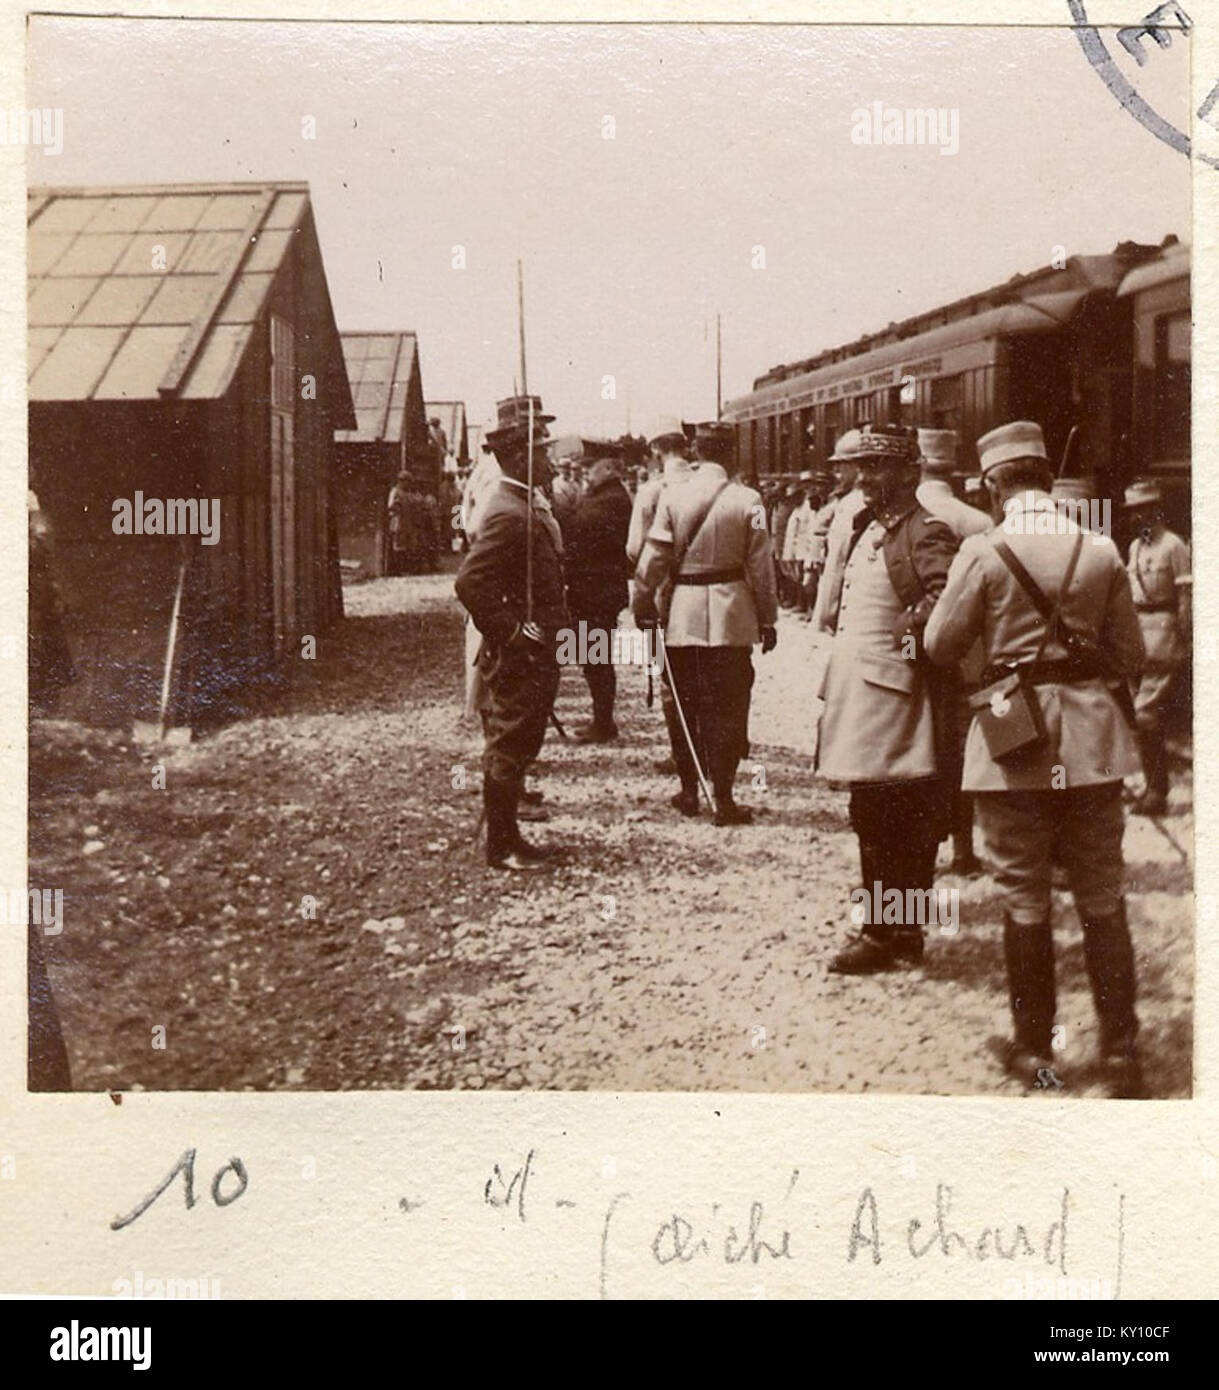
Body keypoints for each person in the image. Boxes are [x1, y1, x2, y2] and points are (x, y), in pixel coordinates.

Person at [925, 420, 1146, 1096]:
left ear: (994, 484)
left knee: (1023, 895)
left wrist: (995, 660)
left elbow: (937, 644)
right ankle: (1119, 1052)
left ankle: (1033, 1049)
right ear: (1046, 478)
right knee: (1101, 892)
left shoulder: (984, 551)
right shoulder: (1099, 548)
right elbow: (1132, 656)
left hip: (1009, 730)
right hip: (1091, 740)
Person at [817, 424, 960, 974]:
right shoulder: (867, 525)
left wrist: (908, 638)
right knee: (876, 814)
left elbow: (942, 598)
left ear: (910, 472)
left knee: (896, 815)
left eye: (878, 467)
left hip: (894, 697)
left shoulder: (925, 530)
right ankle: (895, 929)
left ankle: (888, 933)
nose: (865, 477)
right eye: (863, 466)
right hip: (866, 695)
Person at [634, 421, 777, 824]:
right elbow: (761, 568)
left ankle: (688, 791)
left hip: (683, 615)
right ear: (731, 454)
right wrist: (767, 620)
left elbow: (653, 560)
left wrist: (641, 604)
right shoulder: (750, 501)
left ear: (697, 452)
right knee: (730, 706)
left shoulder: (673, 496)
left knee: (683, 704)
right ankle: (725, 799)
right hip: (733, 617)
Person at [454, 396, 566, 872]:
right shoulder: (506, 510)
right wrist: (514, 632)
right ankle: (501, 846)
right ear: (519, 457)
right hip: (523, 649)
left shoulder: (520, 503)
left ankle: (509, 835)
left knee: (519, 740)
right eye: (542, 451)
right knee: (510, 742)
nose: (550, 460)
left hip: (538, 645)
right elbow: (469, 583)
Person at [915, 427, 994, 875]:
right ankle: (964, 848)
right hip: (966, 659)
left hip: (910, 658)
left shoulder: (901, 516)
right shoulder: (978, 522)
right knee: (962, 752)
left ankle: (917, 847)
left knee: (915, 748)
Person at [1122, 478, 1190, 816]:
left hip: (1164, 635)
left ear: (1154, 510)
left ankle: (1157, 792)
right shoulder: (1135, 549)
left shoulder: (1173, 546)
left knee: (1145, 716)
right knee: (1143, 719)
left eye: (1141, 511)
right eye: (1131, 512)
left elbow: (1186, 597)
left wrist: (1184, 637)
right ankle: (1151, 787)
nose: (1135, 518)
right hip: (1139, 638)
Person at [564, 444, 634, 742]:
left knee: (597, 659)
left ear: (608, 468)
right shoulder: (604, 496)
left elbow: (577, 528)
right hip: (593, 590)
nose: (586, 474)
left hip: (597, 592)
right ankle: (601, 719)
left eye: (590, 468)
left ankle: (604, 723)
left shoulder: (612, 500)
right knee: (593, 658)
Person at [811, 430, 868, 633]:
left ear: (856, 465)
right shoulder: (883, 500)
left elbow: (836, 568)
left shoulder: (849, 505)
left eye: (841, 466)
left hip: (848, 617)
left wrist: (826, 617)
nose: (837, 474)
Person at [627, 422, 693, 567]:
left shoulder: (650, 491)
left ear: (655, 449)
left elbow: (634, 549)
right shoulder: (703, 481)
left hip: (665, 580)